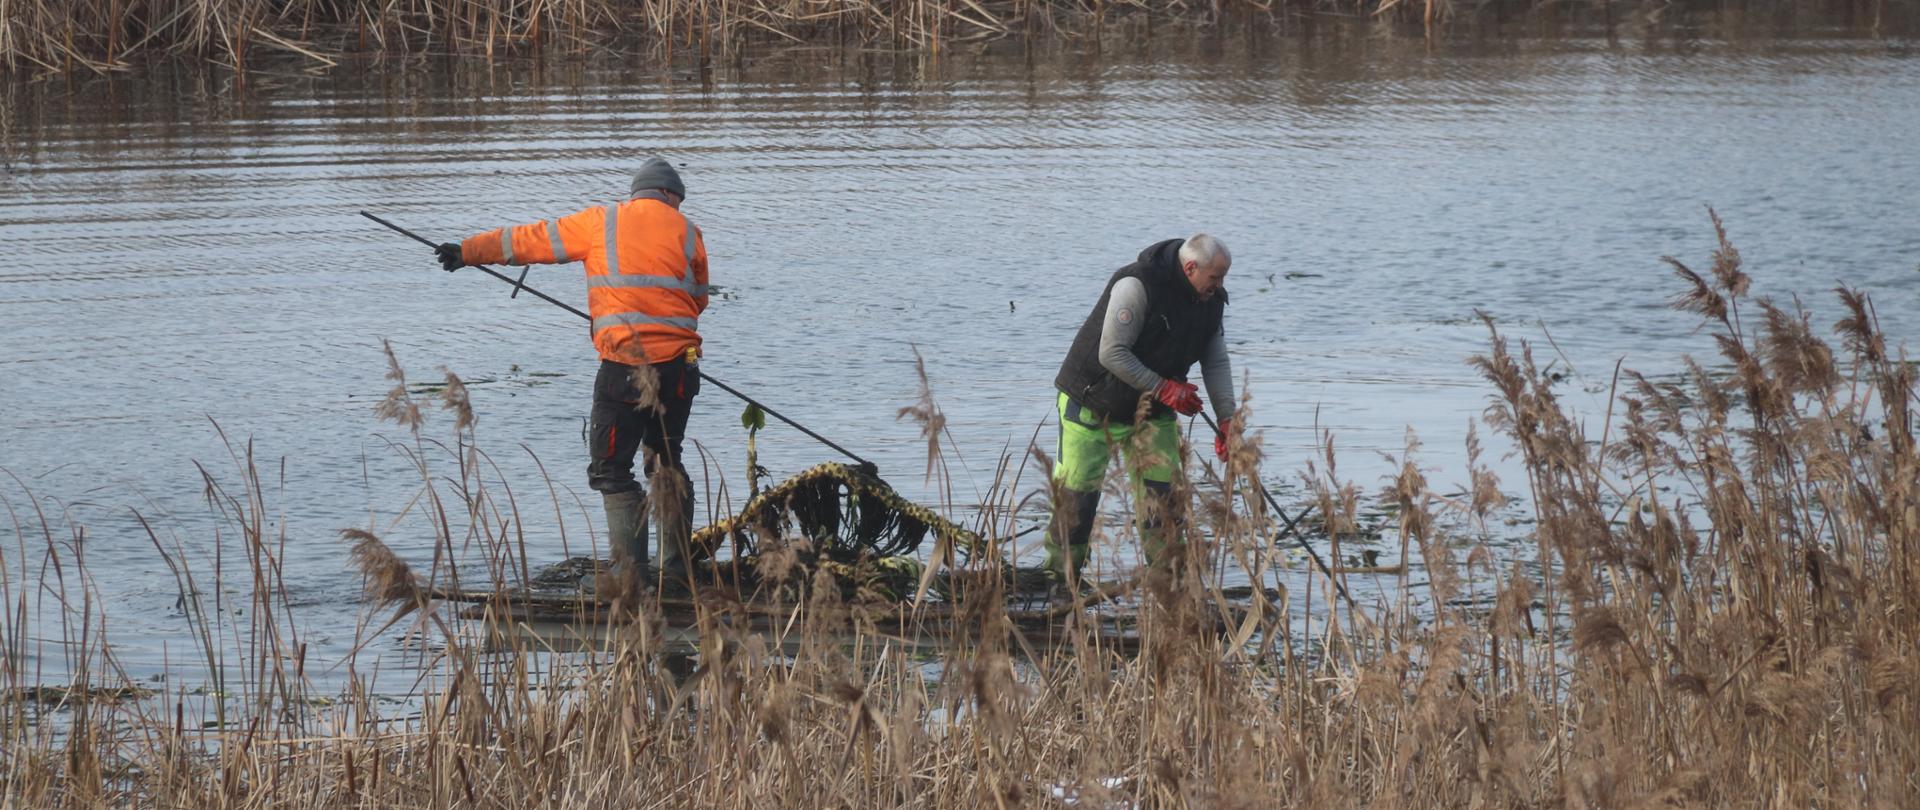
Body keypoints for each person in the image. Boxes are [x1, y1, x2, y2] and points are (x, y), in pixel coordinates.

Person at [436, 157, 709, 584]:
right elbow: (698, 298)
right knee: (666, 461)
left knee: (612, 470)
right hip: (679, 369)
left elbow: (530, 241)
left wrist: (467, 251)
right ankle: (676, 572)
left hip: (624, 369)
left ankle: (630, 578)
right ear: (672, 196)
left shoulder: (603, 221)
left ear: (635, 192)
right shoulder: (689, 232)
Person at [1045, 234, 1236, 584]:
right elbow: (1112, 354)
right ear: (1191, 267)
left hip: (1153, 410)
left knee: (1163, 503)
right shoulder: (1137, 284)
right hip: (1091, 403)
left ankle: (1167, 584)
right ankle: (1058, 584)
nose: (1220, 286)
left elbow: (1216, 362)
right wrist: (1165, 388)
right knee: (1076, 505)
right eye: (1215, 278)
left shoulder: (1210, 301)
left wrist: (1227, 419)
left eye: (1223, 277)